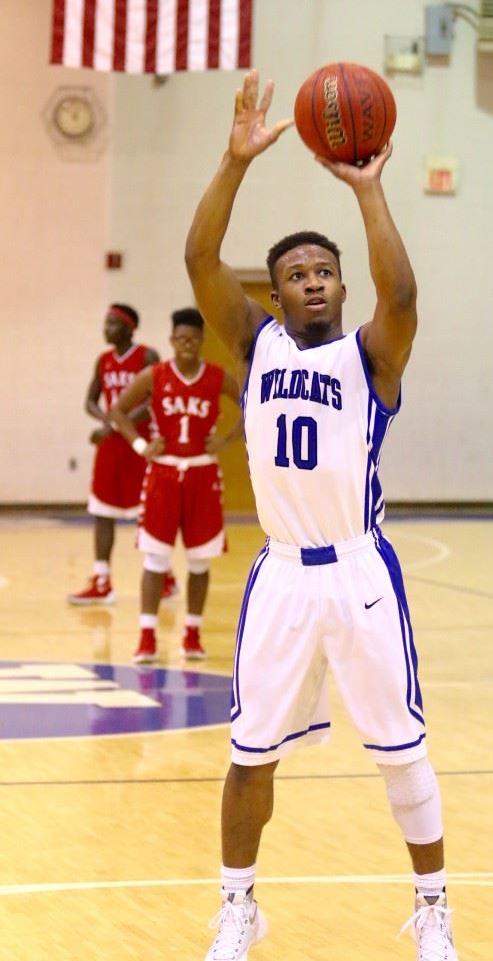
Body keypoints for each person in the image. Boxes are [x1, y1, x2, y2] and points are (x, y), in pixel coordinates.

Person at [184, 71, 459, 961]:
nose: (311, 283)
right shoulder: (254, 342)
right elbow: (197, 259)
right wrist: (233, 163)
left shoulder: (372, 357)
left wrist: (369, 191)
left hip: (358, 571)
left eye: (324, 272)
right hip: (281, 576)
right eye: (295, 274)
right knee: (249, 751)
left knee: (400, 753)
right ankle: (238, 909)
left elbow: (405, 297)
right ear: (272, 294)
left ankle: (432, 910)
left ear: (342, 288)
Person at [109, 307, 242, 663]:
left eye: (194, 340)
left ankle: (193, 634)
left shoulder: (216, 377)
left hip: (202, 473)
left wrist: (228, 440)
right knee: (155, 558)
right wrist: (141, 445)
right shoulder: (155, 375)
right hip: (164, 474)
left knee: (199, 562)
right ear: (172, 340)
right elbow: (118, 411)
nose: (187, 345)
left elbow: (253, 403)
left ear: (201, 342)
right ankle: (147, 636)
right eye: (181, 339)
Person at [67, 304, 178, 605]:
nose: (106, 329)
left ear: (130, 328)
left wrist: (116, 423)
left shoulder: (147, 356)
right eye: (105, 323)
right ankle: (102, 579)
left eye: (113, 324)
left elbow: (156, 399)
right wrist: (108, 421)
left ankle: (165, 575)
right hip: (111, 446)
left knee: (150, 513)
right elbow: (89, 400)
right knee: (102, 510)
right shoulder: (103, 361)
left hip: (140, 443)